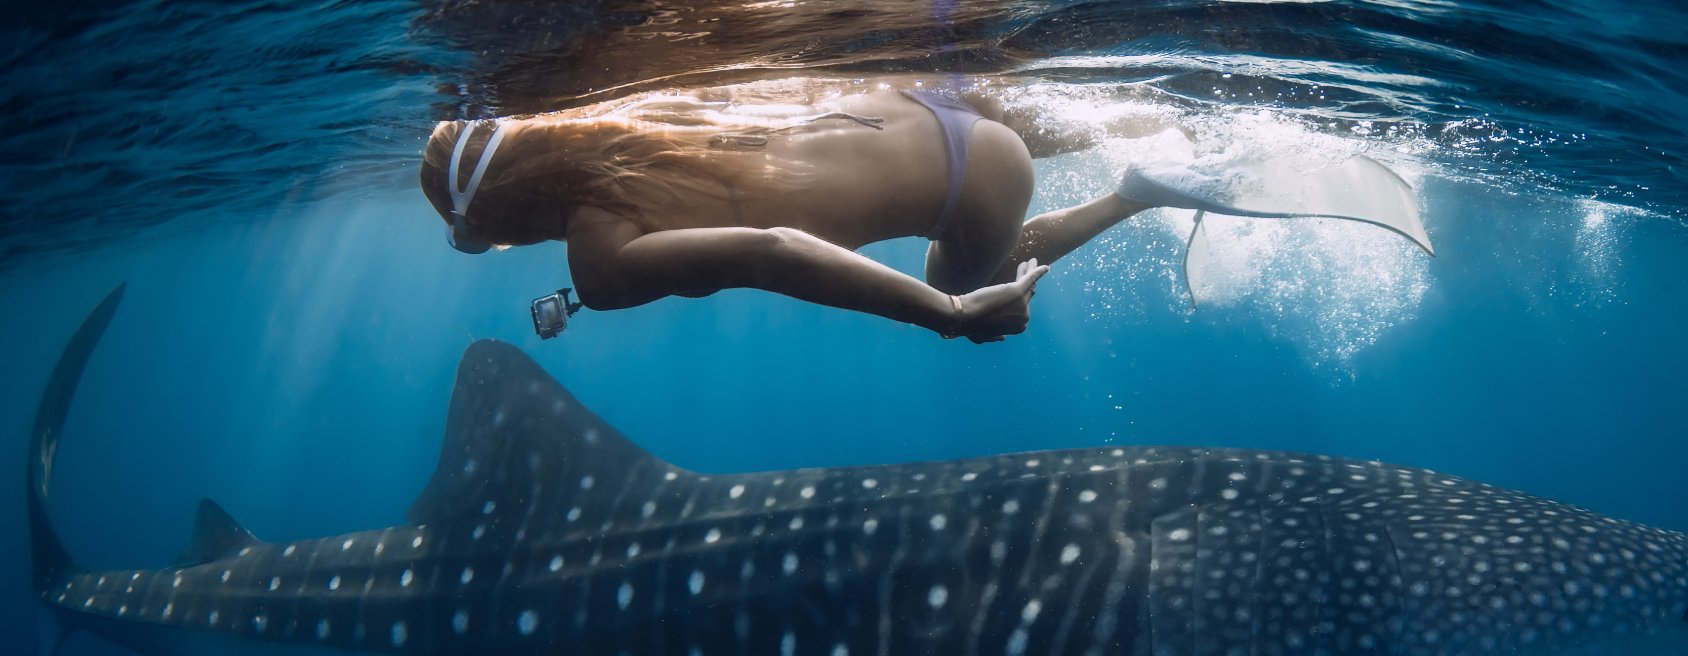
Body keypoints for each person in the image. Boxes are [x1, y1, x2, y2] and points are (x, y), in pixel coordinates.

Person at [419, 79, 1180, 343]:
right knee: (1152, 105)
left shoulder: (598, 261)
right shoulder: (628, 120)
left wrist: (949, 314)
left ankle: (1134, 193)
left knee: (956, 275)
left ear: (493, 218)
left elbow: (772, 249)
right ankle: (1173, 124)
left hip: (975, 184)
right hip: (932, 103)